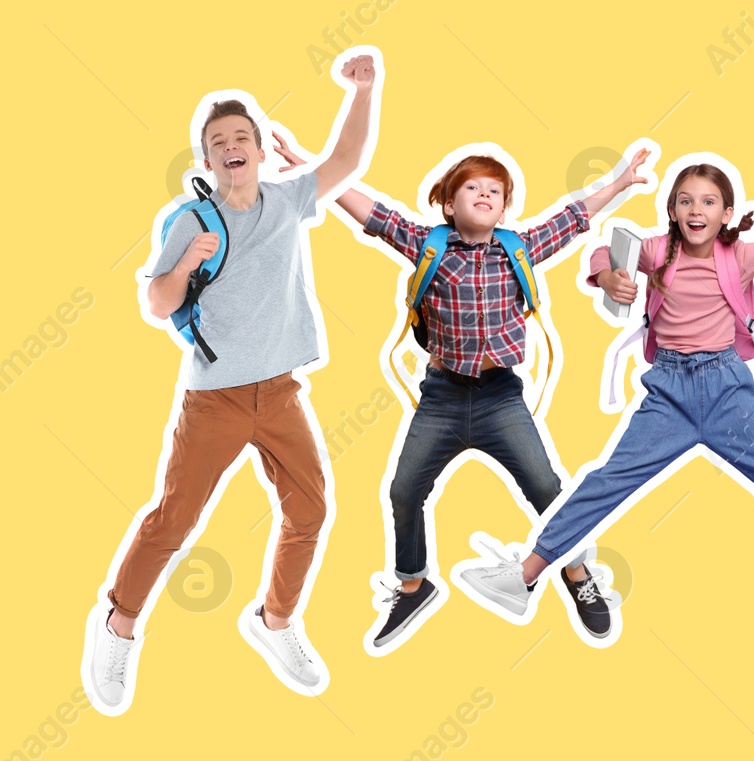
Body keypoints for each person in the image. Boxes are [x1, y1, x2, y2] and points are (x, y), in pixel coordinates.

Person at [459, 159, 754, 636]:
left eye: (708, 202)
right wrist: (609, 277)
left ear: (726, 213)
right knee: (607, 481)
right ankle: (524, 576)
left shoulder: (741, 256)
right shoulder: (658, 252)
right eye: (686, 200)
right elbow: (601, 253)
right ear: (674, 211)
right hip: (669, 395)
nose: (696, 210)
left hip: (727, 393)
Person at [85, 52, 381, 712]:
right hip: (213, 398)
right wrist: (187, 261)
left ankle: (274, 621)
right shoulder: (194, 221)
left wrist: (364, 88)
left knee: (311, 510)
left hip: (279, 393)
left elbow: (347, 159)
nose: (230, 148)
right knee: (172, 520)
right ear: (207, 162)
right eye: (217, 144)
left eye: (240, 137)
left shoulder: (288, 199)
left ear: (259, 148)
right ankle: (118, 624)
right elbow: (157, 305)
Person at [276, 138, 650, 647]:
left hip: (501, 397)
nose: (484, 194)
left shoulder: (518, 247)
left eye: (495, 190)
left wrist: (622, 182)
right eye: (472, 186)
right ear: (449, 204)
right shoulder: (428, 243)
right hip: (442, 398)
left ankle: (578, 575)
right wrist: (316, 171)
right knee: (403, 491)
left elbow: (573, 217)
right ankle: (412, 584)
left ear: (503, 206)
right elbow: (373, 213)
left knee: (547, 488)